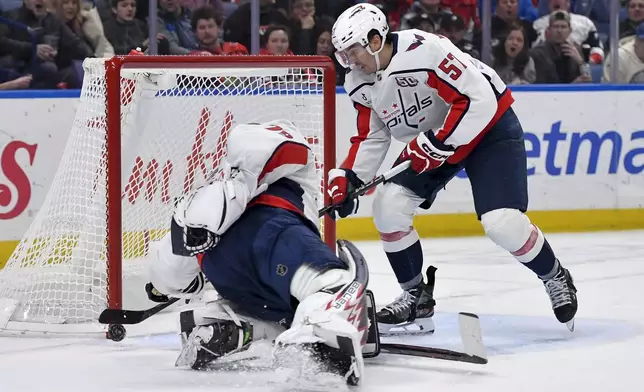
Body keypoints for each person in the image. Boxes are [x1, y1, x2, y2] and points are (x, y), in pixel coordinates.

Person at [327, 3, 578, 335]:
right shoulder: (359, 81)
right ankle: (416, 299)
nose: (349, 61)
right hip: (439, 139)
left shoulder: (425, 51)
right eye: (343, 55)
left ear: (375, 40)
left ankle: (554, 274)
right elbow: (372, 134)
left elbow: (480, 101)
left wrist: (436, 143)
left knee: (501, 222)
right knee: (388, 206)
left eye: (352, 51)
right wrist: (349, 176)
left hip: (489, 131)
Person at [144, 119, 375, 386]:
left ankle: (235, 327)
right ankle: (315, 339)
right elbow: (271, 143)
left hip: (220, 269)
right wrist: (242, 183)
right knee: (331, 284)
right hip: (271, 235)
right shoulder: (255, 168)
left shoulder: (203, 203)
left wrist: (168, 285)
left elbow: (170, 272)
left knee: (283, 313)